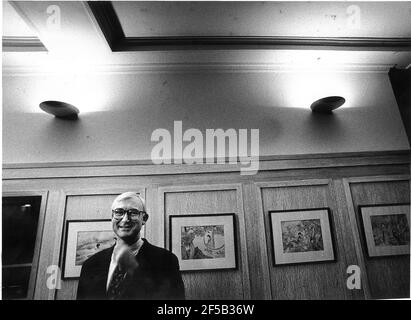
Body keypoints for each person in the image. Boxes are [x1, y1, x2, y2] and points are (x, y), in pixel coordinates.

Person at [77, 192, 185, 300]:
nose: (125, 219)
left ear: (144, 218)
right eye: (119, 212)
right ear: (112, 217)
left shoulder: (166, 261)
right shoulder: (90, 265)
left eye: (133, 213)